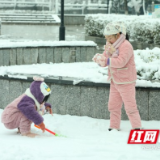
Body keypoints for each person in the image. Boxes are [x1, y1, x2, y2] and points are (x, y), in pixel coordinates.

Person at [92, 22, 142, 131]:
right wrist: (100, 60)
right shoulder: (111, 45)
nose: (108, 40)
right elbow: (106, 59)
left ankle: (137, 127)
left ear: (118, 35)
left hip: (126, 81)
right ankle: (114, 126)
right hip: (114, 80)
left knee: (130, 107)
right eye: (106, 38)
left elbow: (121, 62)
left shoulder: (126, 45)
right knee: (113, 106)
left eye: (110, 37)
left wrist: (107, 60)